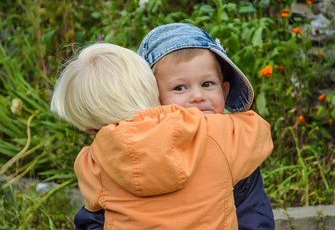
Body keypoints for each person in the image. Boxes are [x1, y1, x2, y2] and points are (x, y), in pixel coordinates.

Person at [51, 42, 273, 229]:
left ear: (91, 130)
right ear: (154, 90)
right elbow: (258, 131)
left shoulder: (93, 163)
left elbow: (91, 218)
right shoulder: (214, 133)